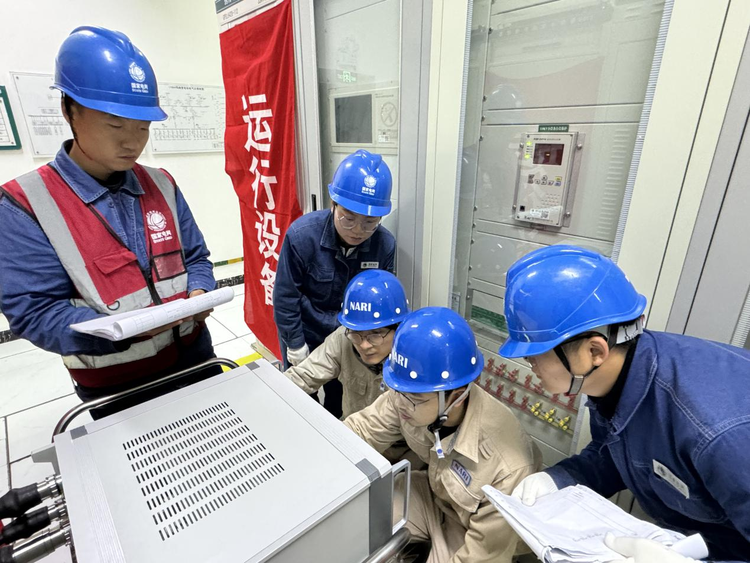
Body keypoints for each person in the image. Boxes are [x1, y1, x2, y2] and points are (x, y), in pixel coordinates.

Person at [0, 27, 220, 419]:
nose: (132, 142)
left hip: (195, 356)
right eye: (115, 125)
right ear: (69, 111)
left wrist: (200, 290)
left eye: (143, 127)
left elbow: (197, 257)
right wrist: (123, 330)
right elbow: (36, 313)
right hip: (116, 384)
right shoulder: (25, 204)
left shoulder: (162, 183)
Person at [500, 245, 750, 562]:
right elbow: (617, 455)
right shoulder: (616, 381)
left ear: (594, 351)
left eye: (535, 352)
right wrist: (560, 478)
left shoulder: (716, 433)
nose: (529, 362)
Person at [345, 307, 541, 563]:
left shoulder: (507, 467)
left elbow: (483, 556)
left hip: (472, 532)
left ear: (456, 397)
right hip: (435, 497)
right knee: (362, 517)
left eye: (414, 399)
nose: (400, 403)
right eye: (397, 390)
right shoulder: (410, 395)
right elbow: (357, 431)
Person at [273, 149, 396, 418]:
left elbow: (383, 304)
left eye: (369, 223)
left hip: (350, 338)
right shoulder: (302, 236)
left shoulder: (384, 245)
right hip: (305, 331)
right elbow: (285, 297)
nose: (358, 231)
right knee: (299, 400)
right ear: (333, 204)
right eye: (348, 219)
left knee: (340, 401)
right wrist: (295, 344)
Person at [284, 269, 409, 419]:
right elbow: (303, 376)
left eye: (375, 334)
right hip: (351, 429)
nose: (364, 345)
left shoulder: (415, 358)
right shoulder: (343, 337)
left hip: (393, 436)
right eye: (356, 334)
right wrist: (269, 391)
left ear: (399, 328)